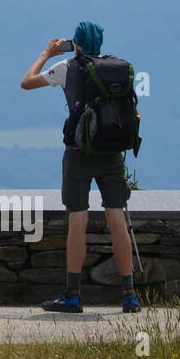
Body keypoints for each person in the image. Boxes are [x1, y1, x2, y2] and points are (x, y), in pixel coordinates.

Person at [20, 20, 142, 314]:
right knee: (117, 220)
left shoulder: (67, 67)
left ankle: (72, 296)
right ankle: (129, 295)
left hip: (78, 153)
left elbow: (27, 82)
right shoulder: (119, 68)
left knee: (78, 219)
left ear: (76, 43)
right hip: (112, 153)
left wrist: (46, 53)